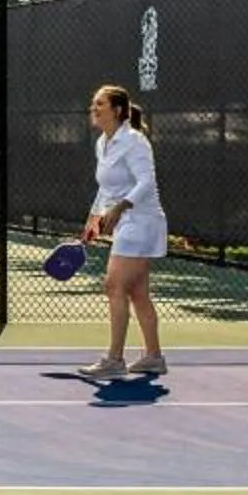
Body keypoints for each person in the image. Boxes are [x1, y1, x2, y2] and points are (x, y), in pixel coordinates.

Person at [80, 84, 167, 381]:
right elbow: (106, 187)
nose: (94, 109)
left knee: (113, 286)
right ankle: (153, 358)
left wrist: (118, 209)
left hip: (141, 220)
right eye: (94, 104)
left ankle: (114, 360)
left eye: (100, 104)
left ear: (117, 110)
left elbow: (146, 182)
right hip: (127, 222)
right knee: (138, 293)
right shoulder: (103, 143)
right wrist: (93, 218)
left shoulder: (134, 141)